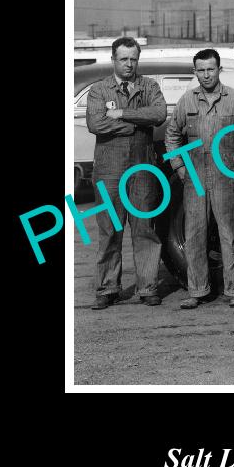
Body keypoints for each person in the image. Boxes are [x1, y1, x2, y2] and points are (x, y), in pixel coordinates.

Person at [164, 48, 234, 309]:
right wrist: (179, 167)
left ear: (219, 70)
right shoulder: (186, 101)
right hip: (194, 178)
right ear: (194, 72)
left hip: (226, 177)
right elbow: (172, 136)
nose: (206, 74)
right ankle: (197, 290)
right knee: (194, 233)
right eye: (201, 70)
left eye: (211, 69)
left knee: (230, 233)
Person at [86, 37, 167, 309]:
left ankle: (147, 287)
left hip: (143, 168)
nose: (129, 64)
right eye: (123, 59)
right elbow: (95, 123)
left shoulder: (149, 86)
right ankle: (107, 288)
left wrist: (120, 113)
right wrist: (133, 125)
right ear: (113, 60)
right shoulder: (99, 90)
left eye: (133, 59)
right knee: (109, 229)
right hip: (109, 170)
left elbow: (158, 113)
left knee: (144, 227)